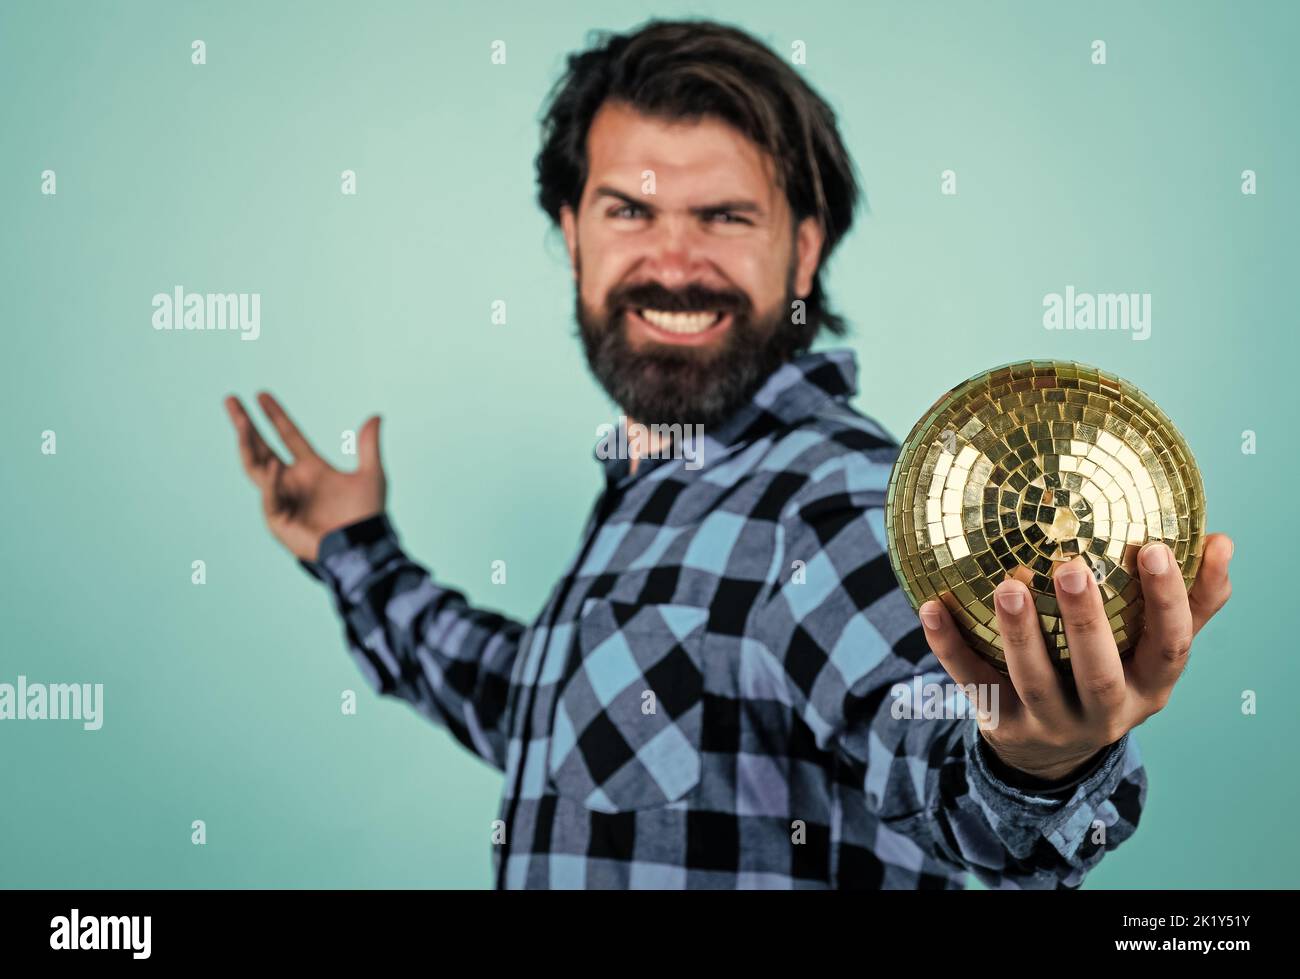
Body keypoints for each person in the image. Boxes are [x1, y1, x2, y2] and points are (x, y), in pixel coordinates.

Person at [224, 18, 1234, 889]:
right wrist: (353, 549)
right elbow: (545, 707)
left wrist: (1035, 764)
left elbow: (943, 753)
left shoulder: (828, 499)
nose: (671, 261)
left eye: (723, 217)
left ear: (801, 249)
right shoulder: (653, 492)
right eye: (628, 211)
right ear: (571, 233)